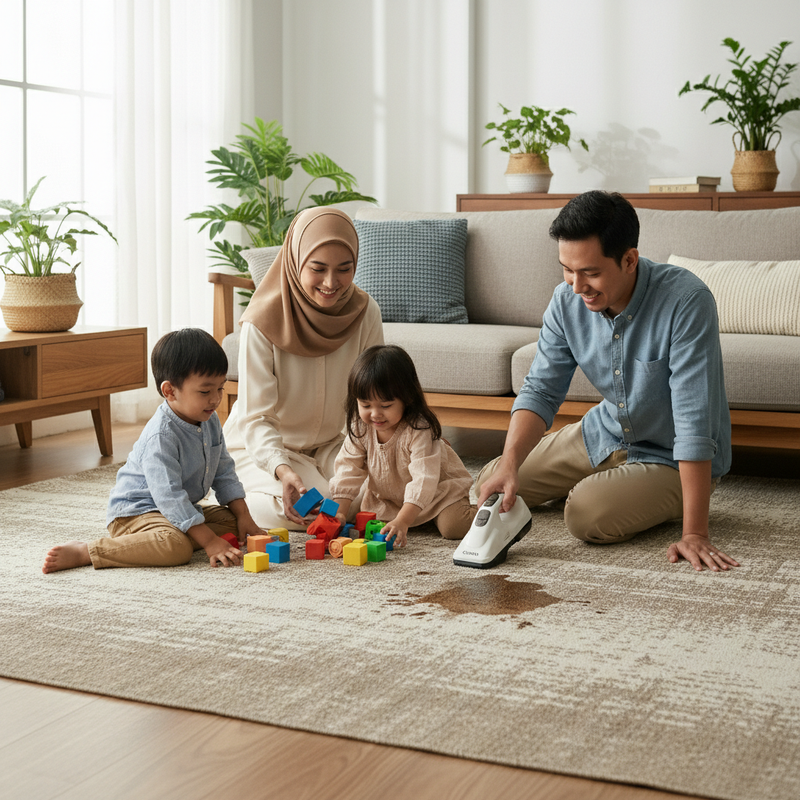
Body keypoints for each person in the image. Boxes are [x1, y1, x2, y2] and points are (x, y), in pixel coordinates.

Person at [476, 190, 738, 573]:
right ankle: (609, 481)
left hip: (668, 455)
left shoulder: (686, 301)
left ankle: (649, 494)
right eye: (567, 268)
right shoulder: (566, 301)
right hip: (606, 431)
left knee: (585, 515)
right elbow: (541, 389)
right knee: (489, 484)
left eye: (591, 272)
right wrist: (512, 461)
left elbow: (693, 420)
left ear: (629, 259)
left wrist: (695, 532)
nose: (576, 285)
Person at [42, 328, 262, 573]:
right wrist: (209, 541)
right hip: (136, 513)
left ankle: (170, 537)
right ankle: (88, 551)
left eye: (220, 389)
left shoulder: (209, 420)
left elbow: (223, 471)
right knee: (175, 548)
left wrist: (244, 514)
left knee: (232, 520)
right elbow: (169, 497)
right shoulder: (161, 435)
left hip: (175, 511)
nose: (216, 399)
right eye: (205, 391)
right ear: (169, 391)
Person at [223, 207, 383, 531]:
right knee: (319, 507)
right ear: (296, 262)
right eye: (318, 268)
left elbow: (375, 395)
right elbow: (256, 419)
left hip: (332, 446)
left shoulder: (365, 313)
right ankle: (228, 500)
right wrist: (282, 470)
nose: (330, 282)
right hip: (265, 449)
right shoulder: (261, 323)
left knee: (376, 496)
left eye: (344, 269)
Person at [329, 344, 477, 546]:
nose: (375, 414)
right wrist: (338, 514)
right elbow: (348, 471)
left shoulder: (419, 428)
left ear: (407, 398)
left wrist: (403, 520)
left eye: (385, 406)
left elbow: (424, 480)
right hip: (390, 499)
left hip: (438, 493)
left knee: (454, 527)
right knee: (364, 524)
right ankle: (410, 516)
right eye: (365, 405)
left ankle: (488, 509)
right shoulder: (360, 428)